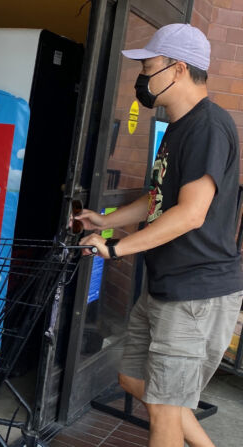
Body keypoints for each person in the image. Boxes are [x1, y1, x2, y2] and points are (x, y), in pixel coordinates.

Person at [75, 24, 243, 447]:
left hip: (196, 295)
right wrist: (105, 222)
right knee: (134, 380)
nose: (143, 78)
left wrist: (115, 248)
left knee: (165, 414)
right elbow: (159, 198)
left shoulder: (208, 127)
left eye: (149, 67)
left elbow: (190, 214)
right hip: (166, 287)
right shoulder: (178, 126)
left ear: (178, 69)